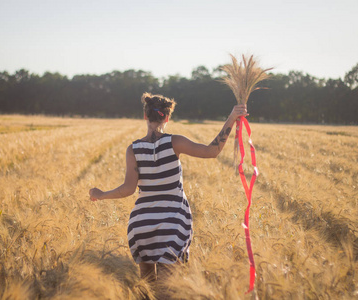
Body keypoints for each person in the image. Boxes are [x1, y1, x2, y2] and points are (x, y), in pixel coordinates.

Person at [89, 92, 248, 289]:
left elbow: (128, 189)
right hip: (172, 222)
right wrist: (232, 118)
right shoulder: (174, 142)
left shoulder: (134, 149)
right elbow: (211, 151)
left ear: (145, 116)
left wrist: (101, 194)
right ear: (167, 117)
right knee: (167, 288)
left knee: (147, 286)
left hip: (141, 225)